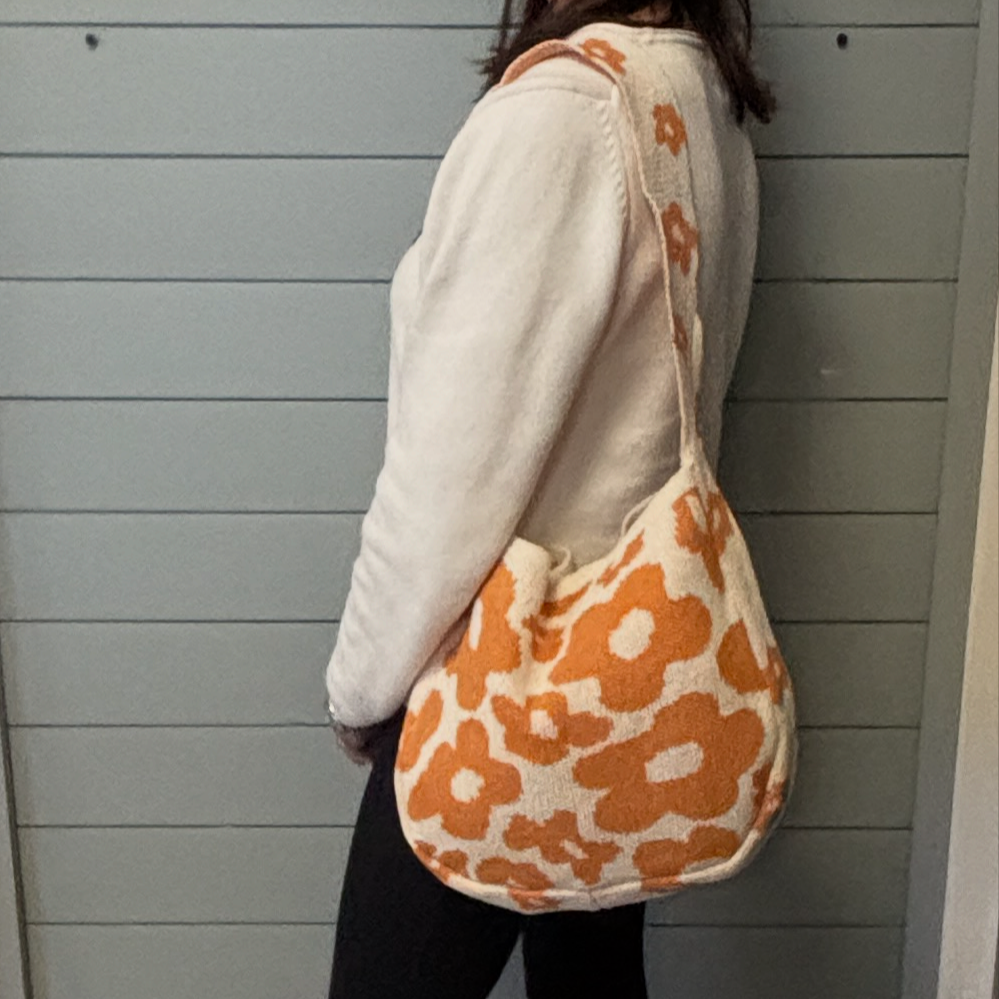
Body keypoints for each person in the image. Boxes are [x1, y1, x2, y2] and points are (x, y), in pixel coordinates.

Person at [324, 2, 775, 996]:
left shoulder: (560, 117)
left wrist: (361, 690)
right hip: (629, 681)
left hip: (497, 690)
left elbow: (447, 485)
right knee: (590, 981)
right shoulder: (698, 99)